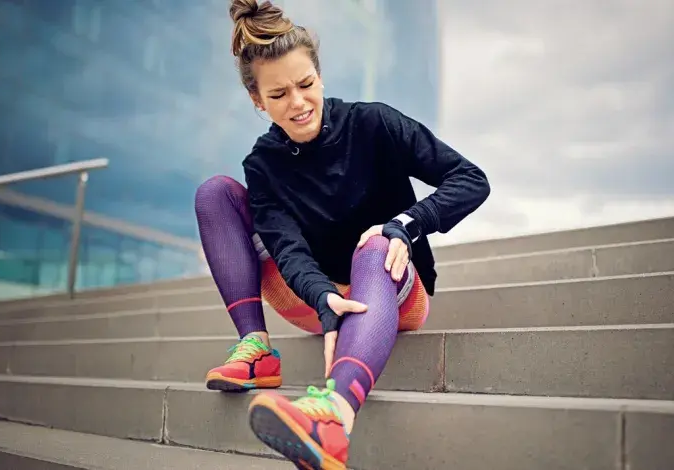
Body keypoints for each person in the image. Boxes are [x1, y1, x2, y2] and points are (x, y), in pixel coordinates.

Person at [194, 0, 490, 468]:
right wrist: (318, 295)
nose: (297, 103)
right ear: (257, 100)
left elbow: (471, 179)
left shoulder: (373, 124)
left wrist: (404, 226)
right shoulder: (263, 164)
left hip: (390, 287)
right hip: (317, 302)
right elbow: (285, 244)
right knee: (216, 194)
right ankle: (256, 350)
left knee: (374, 245)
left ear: (320, 75)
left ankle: (334, 415)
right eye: (277, 95)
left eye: (306, 84)